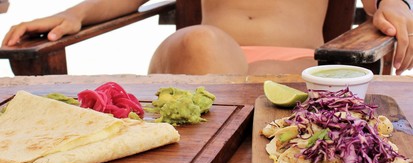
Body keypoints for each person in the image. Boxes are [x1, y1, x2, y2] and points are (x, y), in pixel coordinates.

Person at [2, 0, 413, 75]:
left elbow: (386, 4)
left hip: (297, 63)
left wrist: (396, 4)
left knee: (293, 76)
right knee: (199, 41)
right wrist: (74, 14)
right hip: (201, 60)